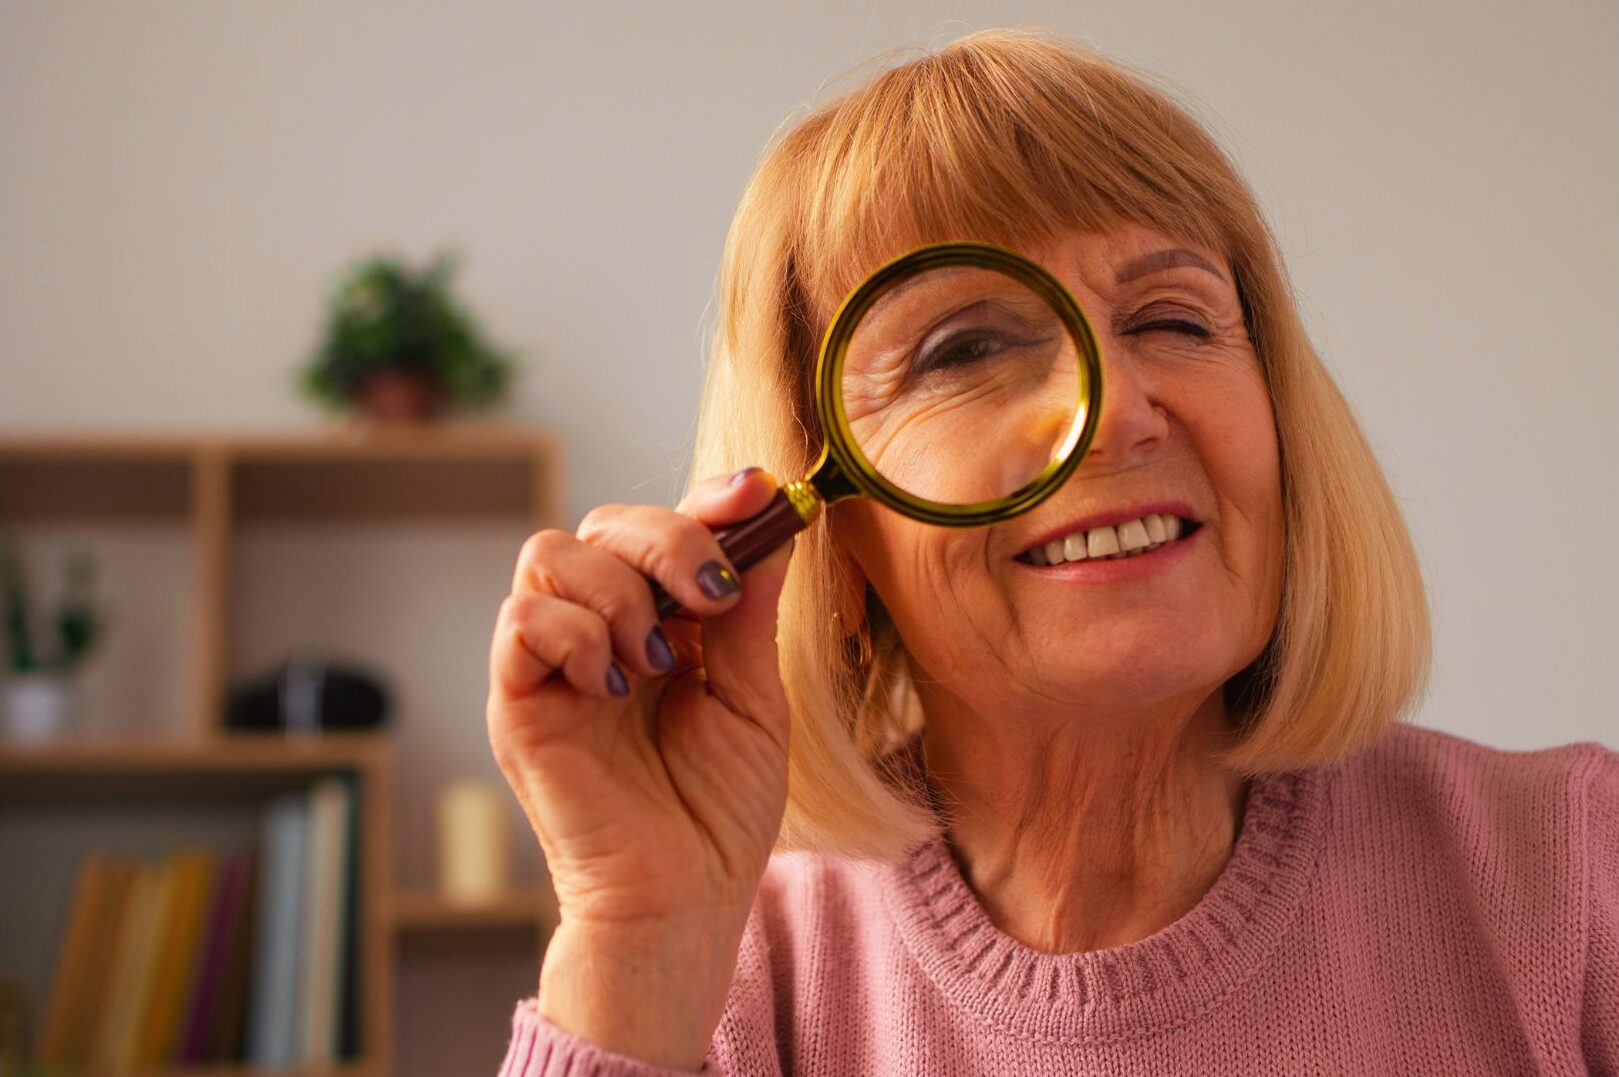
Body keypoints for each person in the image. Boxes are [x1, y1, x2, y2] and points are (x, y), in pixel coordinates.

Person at [485, 28, 1617, 1075]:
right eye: (963, 348)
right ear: (821, 514)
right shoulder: (728, 971)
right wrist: (633, 947)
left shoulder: (1573, 879)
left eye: (1171, 319)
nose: (1117, 407)